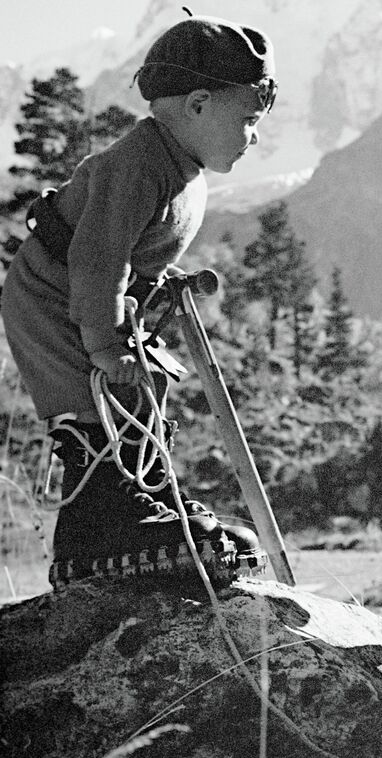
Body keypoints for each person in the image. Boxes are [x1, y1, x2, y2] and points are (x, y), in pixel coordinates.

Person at [1, 14, 279, 586]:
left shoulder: (180, 168)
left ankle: (144, 502)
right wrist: (104, 341)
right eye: (249, 120)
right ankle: (97, 533)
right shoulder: (138, 165)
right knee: (95, 404)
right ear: (198, 105)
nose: (255, 136)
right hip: (54, 298)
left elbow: (135, 246)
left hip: (95, 299)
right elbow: (98, 256)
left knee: (140, 397)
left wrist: (161, 281)